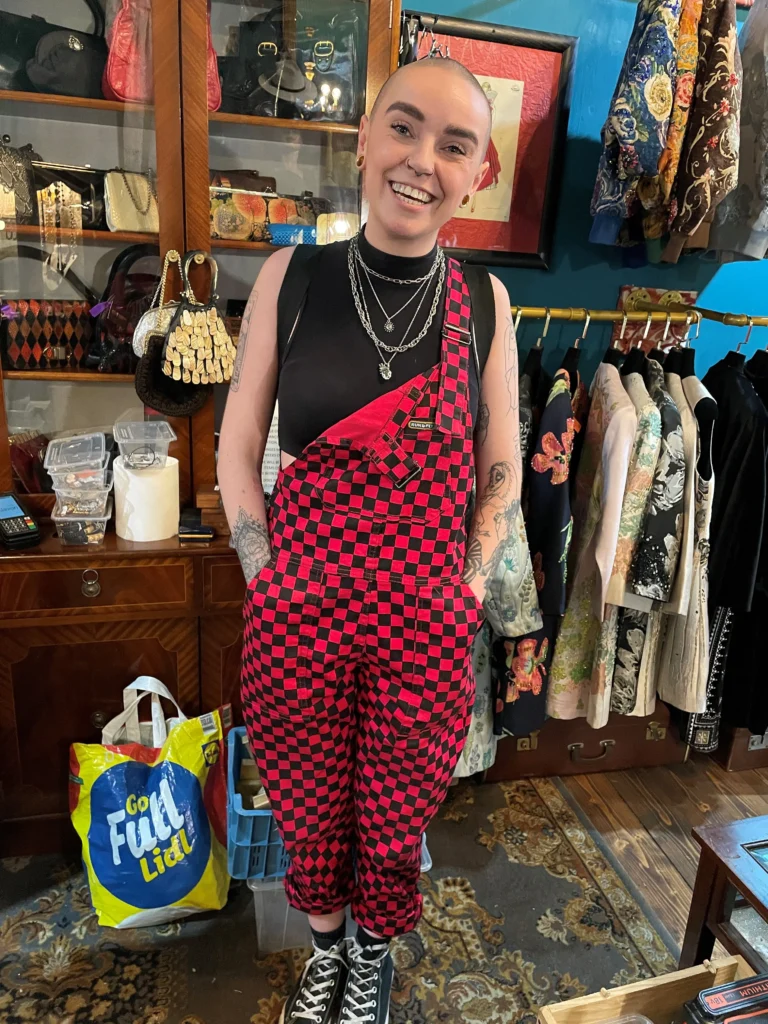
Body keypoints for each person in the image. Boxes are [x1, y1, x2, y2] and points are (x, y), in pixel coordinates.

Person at [218, 55, 538, 1024]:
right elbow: (237, 450)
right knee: (309, 812)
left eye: (454, 145)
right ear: (363, 139)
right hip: (297, 617)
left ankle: (370, 955)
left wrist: (467, 587)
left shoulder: (485, 303)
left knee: (394, 822)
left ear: (476, 173)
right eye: (403, 127)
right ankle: (326, 950)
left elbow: (501, 464)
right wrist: (266, 577)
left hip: (424, 625)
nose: (421, 161)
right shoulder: (293, 278)